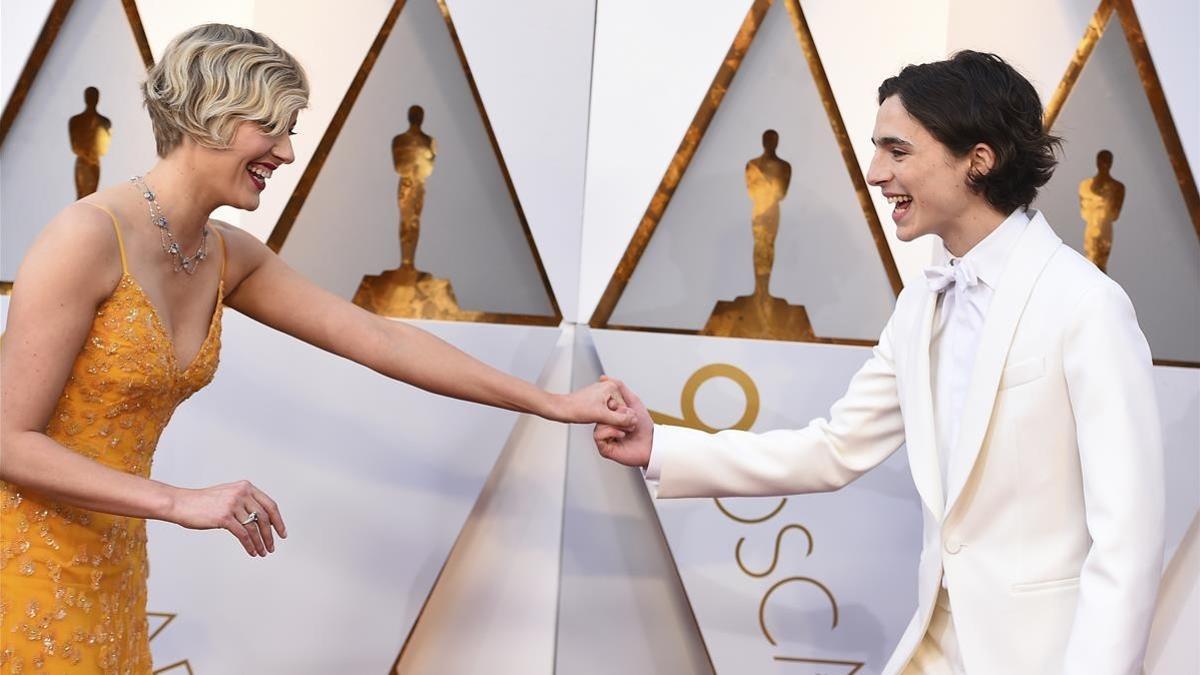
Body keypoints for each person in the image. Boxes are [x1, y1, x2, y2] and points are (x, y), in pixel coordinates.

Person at [0, 24, 632, 673]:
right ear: (207, 113)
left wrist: (554, 402)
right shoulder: (85, 236)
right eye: (271, 127)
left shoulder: (227, 255)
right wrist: (178, 499)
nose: (288, 152)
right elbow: (7, 439)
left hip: (113, 557)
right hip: (18, 555)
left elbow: (382, 339)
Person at [594, 51, 1164, 675]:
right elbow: (835, 449)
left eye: (897, 151)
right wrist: (661, 449)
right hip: (932, 647)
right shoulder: (923, 299)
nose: (874, 171)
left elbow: (1127, 543)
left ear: (978, 159)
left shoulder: (1086, 305)